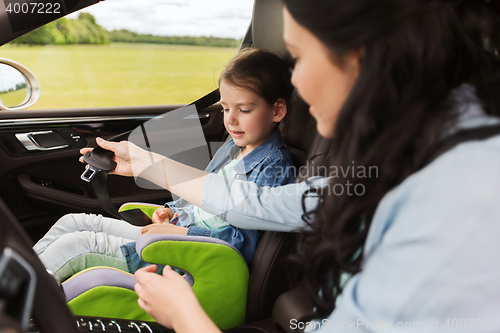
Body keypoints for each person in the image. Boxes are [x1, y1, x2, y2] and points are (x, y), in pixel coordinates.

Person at [119, 0, 500, 332]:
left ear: (358, 54)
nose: (296, 82)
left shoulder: (460, 203)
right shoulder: (402, 153)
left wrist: (184, 314)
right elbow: (257, 203)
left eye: (298, 58)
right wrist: (147, 162)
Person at [33, 48, 296, 281]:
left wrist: (180, 232)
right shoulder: (233, 147)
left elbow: (242, 243)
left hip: (188, 256)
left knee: (75, 245)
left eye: (245, 110)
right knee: (72, 223)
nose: (231, 120)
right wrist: (172, 212)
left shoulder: (271, 170)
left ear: (277, 111)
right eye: (226, 109)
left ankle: (16, 303)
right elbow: (201, 198)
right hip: (176, 233)